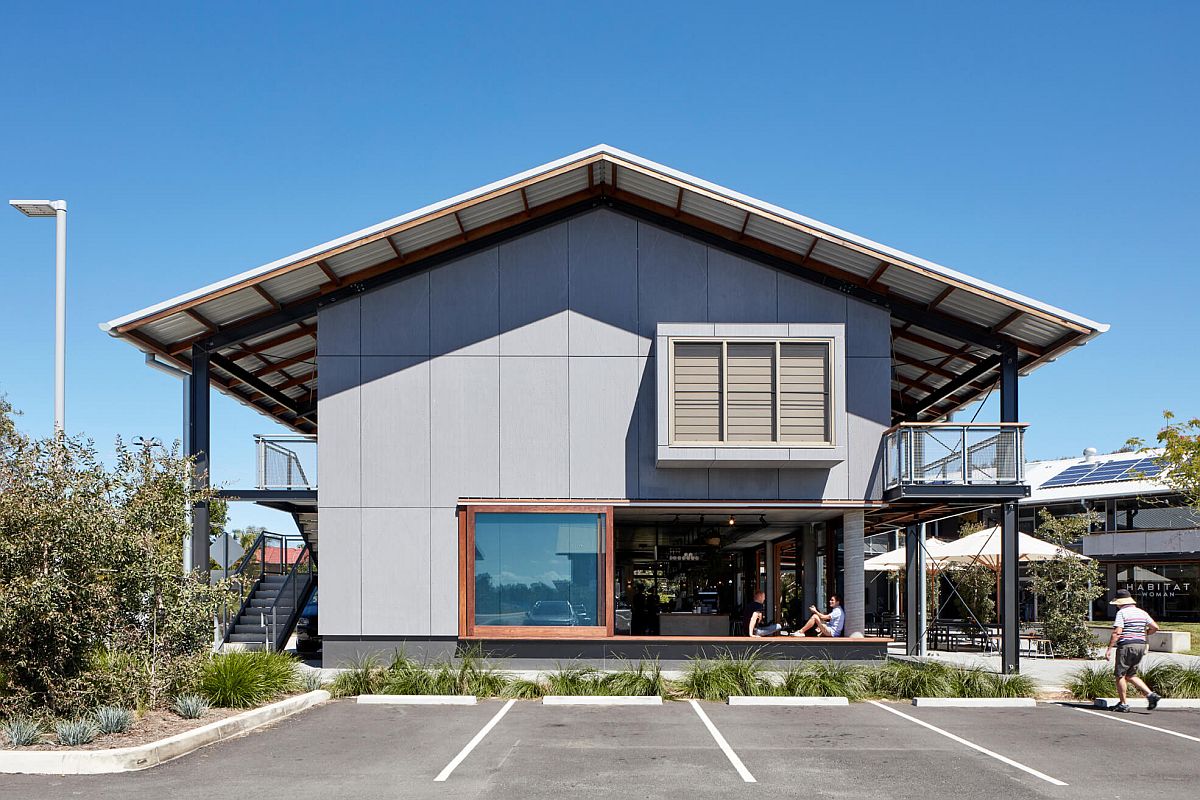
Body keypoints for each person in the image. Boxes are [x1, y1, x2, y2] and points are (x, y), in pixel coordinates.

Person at [1105, 589, 1161, 712]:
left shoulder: (1122, 613)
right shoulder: (1142, 612)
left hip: (1126, 645)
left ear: (1120, 603)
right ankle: (1151, 695)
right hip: (1140, 645)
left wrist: (1109, 648)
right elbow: (1155, 627)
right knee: (1130, 674)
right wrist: (1143, 633)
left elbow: (1117, 632)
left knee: (1120, 675)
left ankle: (1123, 704)